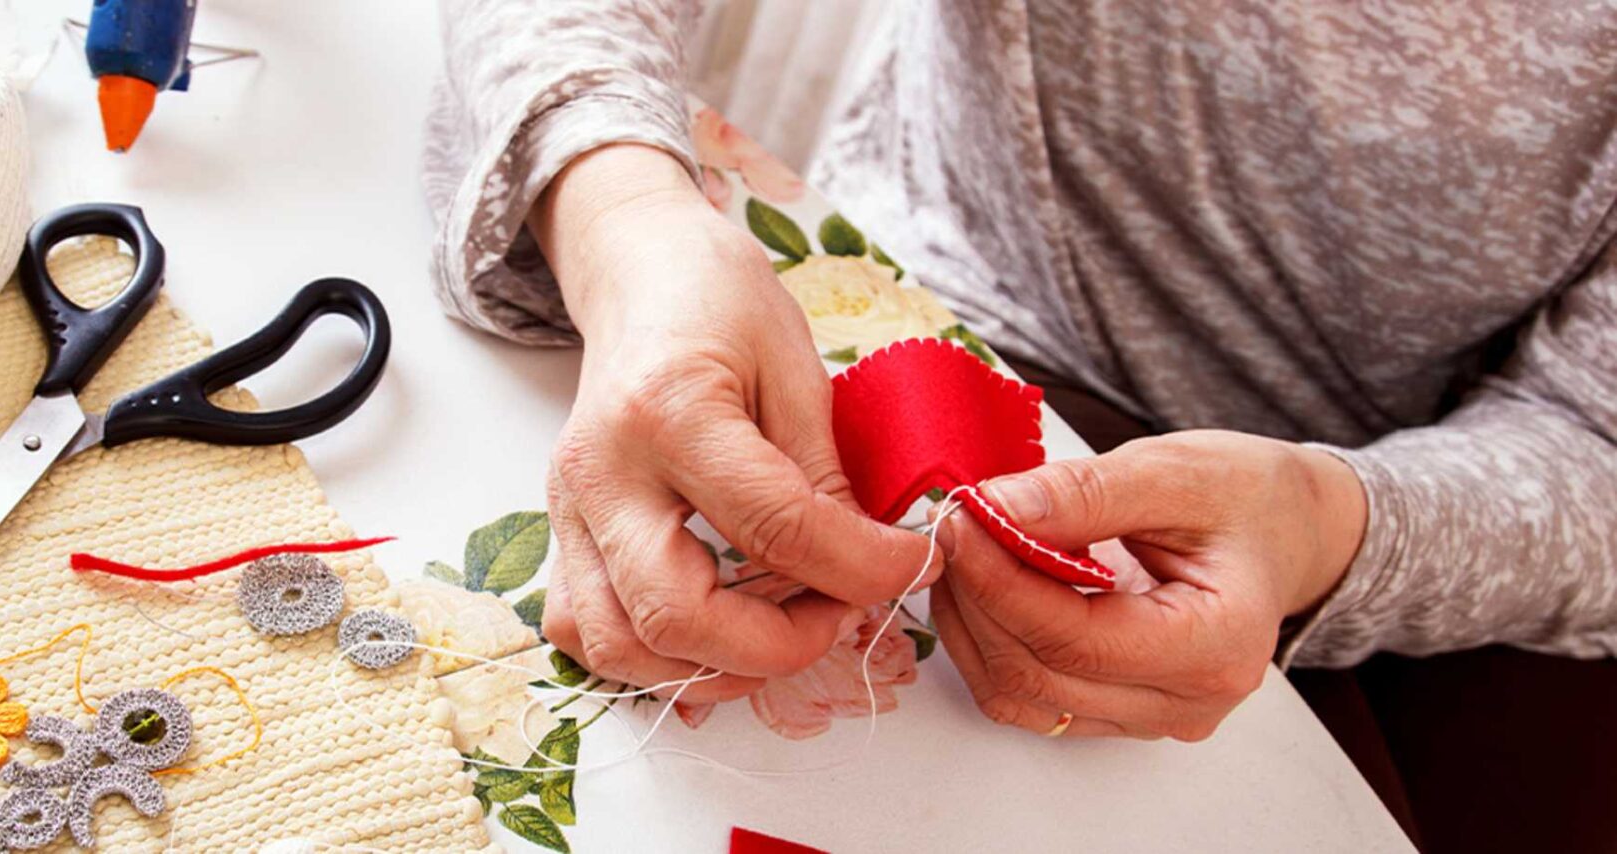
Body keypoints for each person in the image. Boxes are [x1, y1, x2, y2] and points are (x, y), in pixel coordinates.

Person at [422, 3, 1617, 849]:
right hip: (853, 298)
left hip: (1344, 538)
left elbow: (1593, 438)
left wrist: (1335, 526)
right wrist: (622, 213)